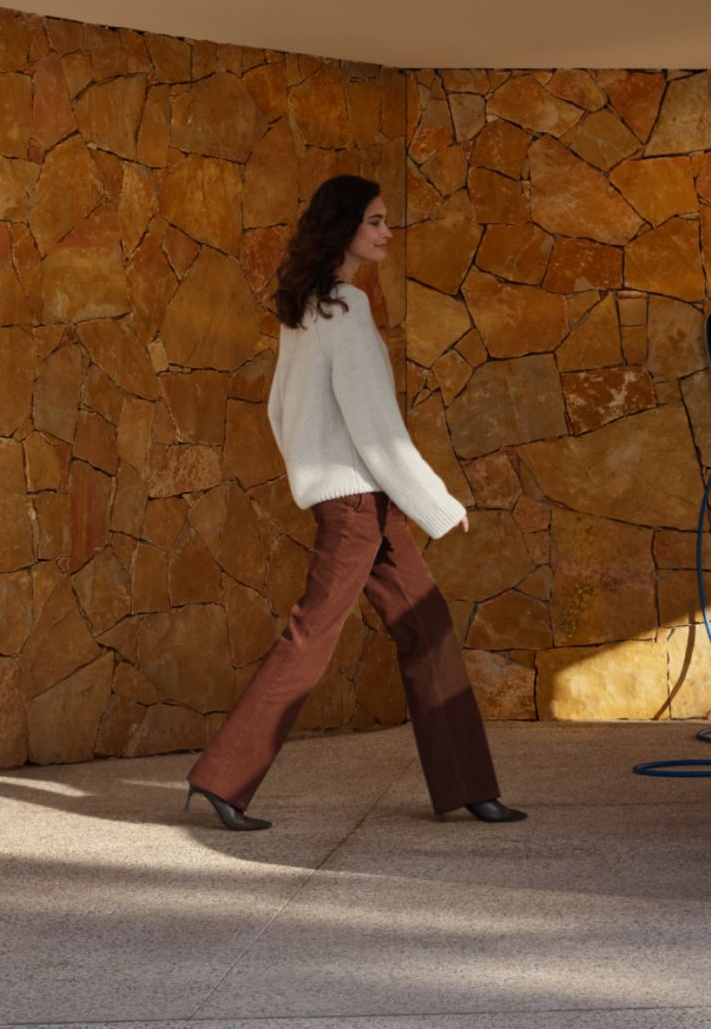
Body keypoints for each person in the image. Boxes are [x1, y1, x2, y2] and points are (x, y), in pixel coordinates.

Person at [184, 175, 523, 831]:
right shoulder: (345, 308)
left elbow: (280, 408)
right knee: (312, 636)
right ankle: (222, 780)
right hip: (357, 504)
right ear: (345, 229)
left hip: (358, 501)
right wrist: (439, 502)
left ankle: (468, 786)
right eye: (374, 221)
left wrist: (309, 476)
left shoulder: (308, 307)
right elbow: (376, 426)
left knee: (427, 628)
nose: (386, 232)